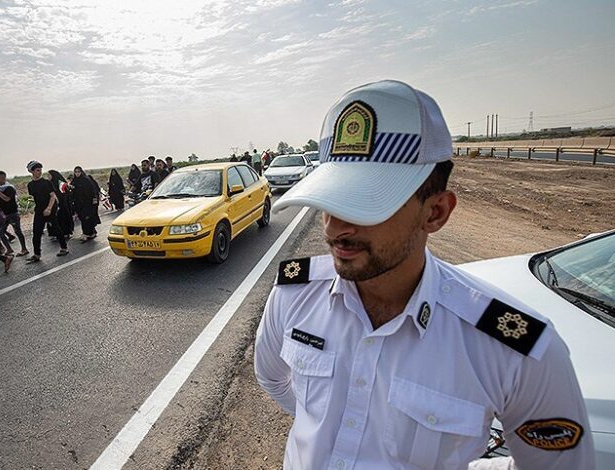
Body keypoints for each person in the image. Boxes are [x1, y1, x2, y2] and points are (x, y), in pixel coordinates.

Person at [254, 80, 594, 469]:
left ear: (435, 212)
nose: (335, 227)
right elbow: (274, 379)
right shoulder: (294, 296)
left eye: (366, 204)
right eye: (330, 200)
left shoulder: (516, 349)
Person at [26, 161, 68, 262]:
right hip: (39, 210)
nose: (39, 172)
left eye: (40, 170)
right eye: (37, 170)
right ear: (32, 171)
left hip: (50, 209)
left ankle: (64, 248)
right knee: (36, 232)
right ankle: (37, 254)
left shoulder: (46, 183)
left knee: (56, 228)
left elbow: (53, 196)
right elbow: (35, 197)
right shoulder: (30, 185)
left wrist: (49, 208)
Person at [0, 170, 28, 256]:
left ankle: (24, 249)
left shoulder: (9, 188)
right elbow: (3, 201)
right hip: (5, 214)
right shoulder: (1, 188)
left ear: (2, 177)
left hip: (12, 213)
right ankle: (9, 249)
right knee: (0, 232)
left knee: (18, 231)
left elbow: (7, 199)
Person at [71, 166, 99, 241]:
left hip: (87, 203)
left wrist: (94, 201)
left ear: (81, 172)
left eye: (78, 172)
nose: (77, 173)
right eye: (75, 172)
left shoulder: (86, 180)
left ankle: (86, 233)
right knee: (84, 218)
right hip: (78, 203)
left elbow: (92, 190)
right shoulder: (74, 181)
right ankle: (92, 232)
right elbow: (72, 192)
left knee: (86, 218)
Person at [48, 170, 75, 240]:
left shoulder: (61, 184)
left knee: (64, 219)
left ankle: (66, 233)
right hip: (54, 205)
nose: (48, 176)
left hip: (63, 205)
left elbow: (64, 194)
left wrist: (60, 202)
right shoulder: (50, 184)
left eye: (49, 175)